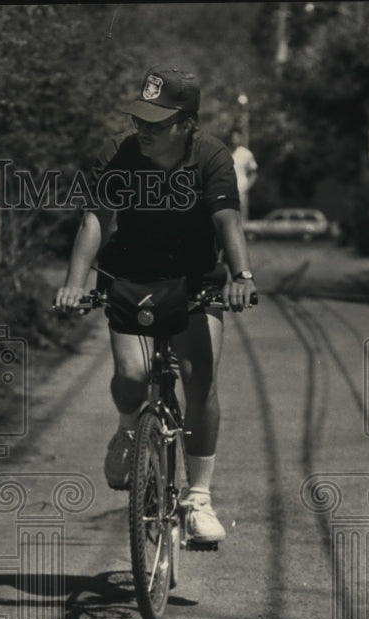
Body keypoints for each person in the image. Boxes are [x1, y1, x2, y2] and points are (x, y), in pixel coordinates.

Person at [54, 66, 257, 543]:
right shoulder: (119, 154)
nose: (143, 131)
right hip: (131, 278)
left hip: (194, 283)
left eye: (157, 123)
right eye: (139, 120)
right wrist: (74, 283)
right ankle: (129, 430)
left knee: (198, 379)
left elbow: (227, 221)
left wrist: (242, 276)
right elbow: (95, 220)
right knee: (131, 377)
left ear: (187, 123)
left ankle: (198, 499)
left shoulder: (211, 157)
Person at [230, 129, 258, 222]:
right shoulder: (225, 152)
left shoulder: (246, 153)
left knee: (242, 220)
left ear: (240, 138)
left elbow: (254, 173)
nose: (234, 139)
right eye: (232, 137)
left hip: (241, 190)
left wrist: (246, 188)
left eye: (236, 137)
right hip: (227, 190)